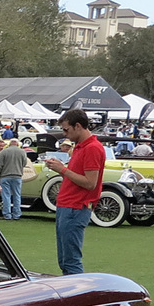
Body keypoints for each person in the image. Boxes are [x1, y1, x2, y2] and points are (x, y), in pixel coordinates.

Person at [43, 108, 106, 275]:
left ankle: (78, 297)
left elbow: (90, 183)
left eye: (66, 129)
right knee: (65, 260)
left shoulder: (92, 148)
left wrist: (62, 170)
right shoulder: (80, 146)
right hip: (68, 206)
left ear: (77, 126)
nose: (64, 134)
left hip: (76, 207)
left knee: (70, 261)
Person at [0, 138, 29, 219]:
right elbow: (24, 163)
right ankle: (16, 214)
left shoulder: (3, 152)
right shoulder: (22, 152)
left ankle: (7, 214)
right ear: (17, 144)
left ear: (9, 144)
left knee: (6, 196)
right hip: (17, 176)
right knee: (17, 195)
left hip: (5, 176)